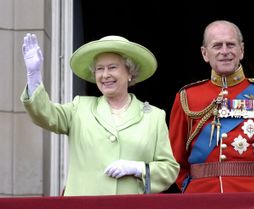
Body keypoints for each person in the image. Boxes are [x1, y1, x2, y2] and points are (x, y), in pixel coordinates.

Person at [20, 33, 179, 196]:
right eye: (99, 69)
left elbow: (169, 170)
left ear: (129, 72)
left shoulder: (153, 117)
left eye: (112, 67)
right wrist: (34, 76)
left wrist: (139, 168)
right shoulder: (79, 107)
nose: (105, 75)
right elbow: (44, 114)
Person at [169, 20, 254, 193]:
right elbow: (175, 160)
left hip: (253, 197)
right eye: (217, 46)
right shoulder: (186, 97)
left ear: (241, 50)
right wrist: (191, 190)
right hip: (200, 197)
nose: (225, 51)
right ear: (205, 53)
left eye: (231, 45)